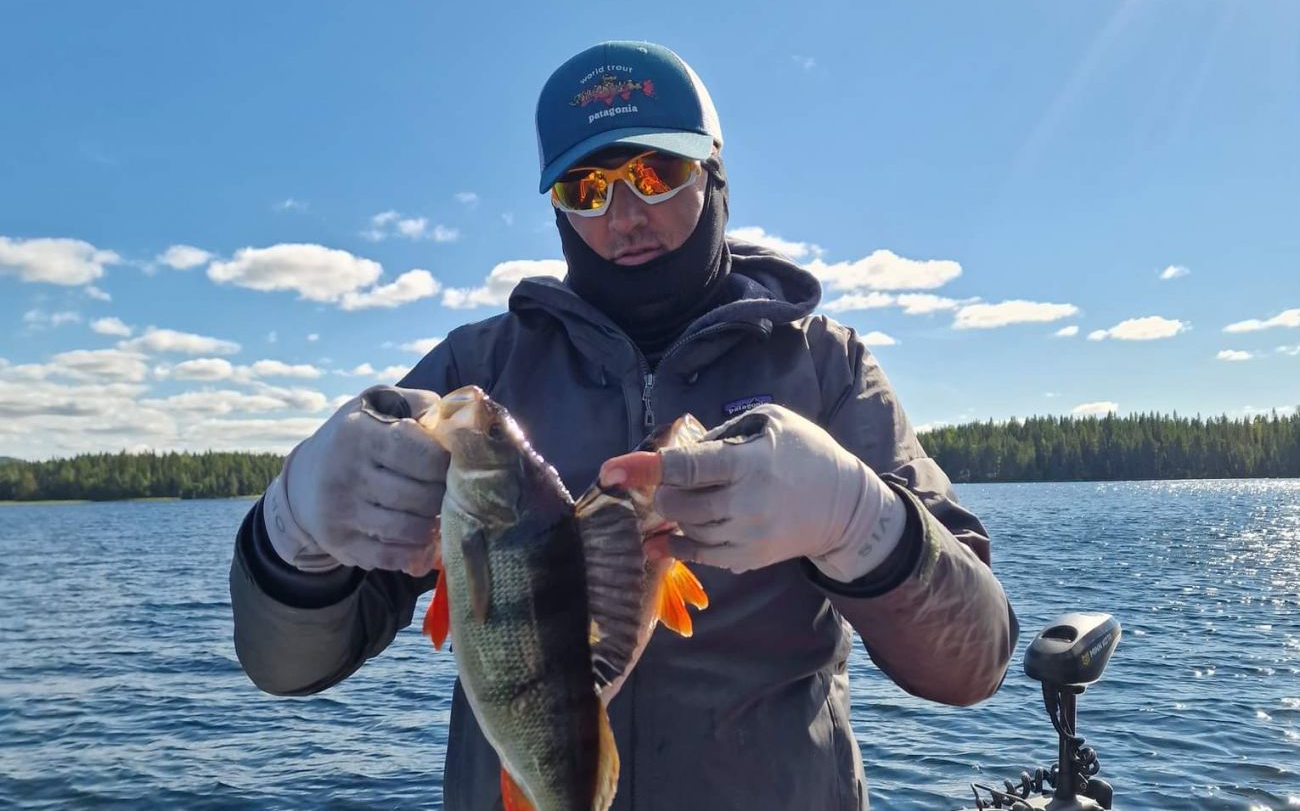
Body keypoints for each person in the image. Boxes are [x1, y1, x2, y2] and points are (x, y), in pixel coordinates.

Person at [230, 40, 1019, 810]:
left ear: (714, 173)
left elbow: (972, 662)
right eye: (586, 188)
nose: (624, 215)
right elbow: (289, 667)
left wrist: (862, 522)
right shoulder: (477, 376)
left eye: (655, 172)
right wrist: (293, 532)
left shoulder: (827, 367)